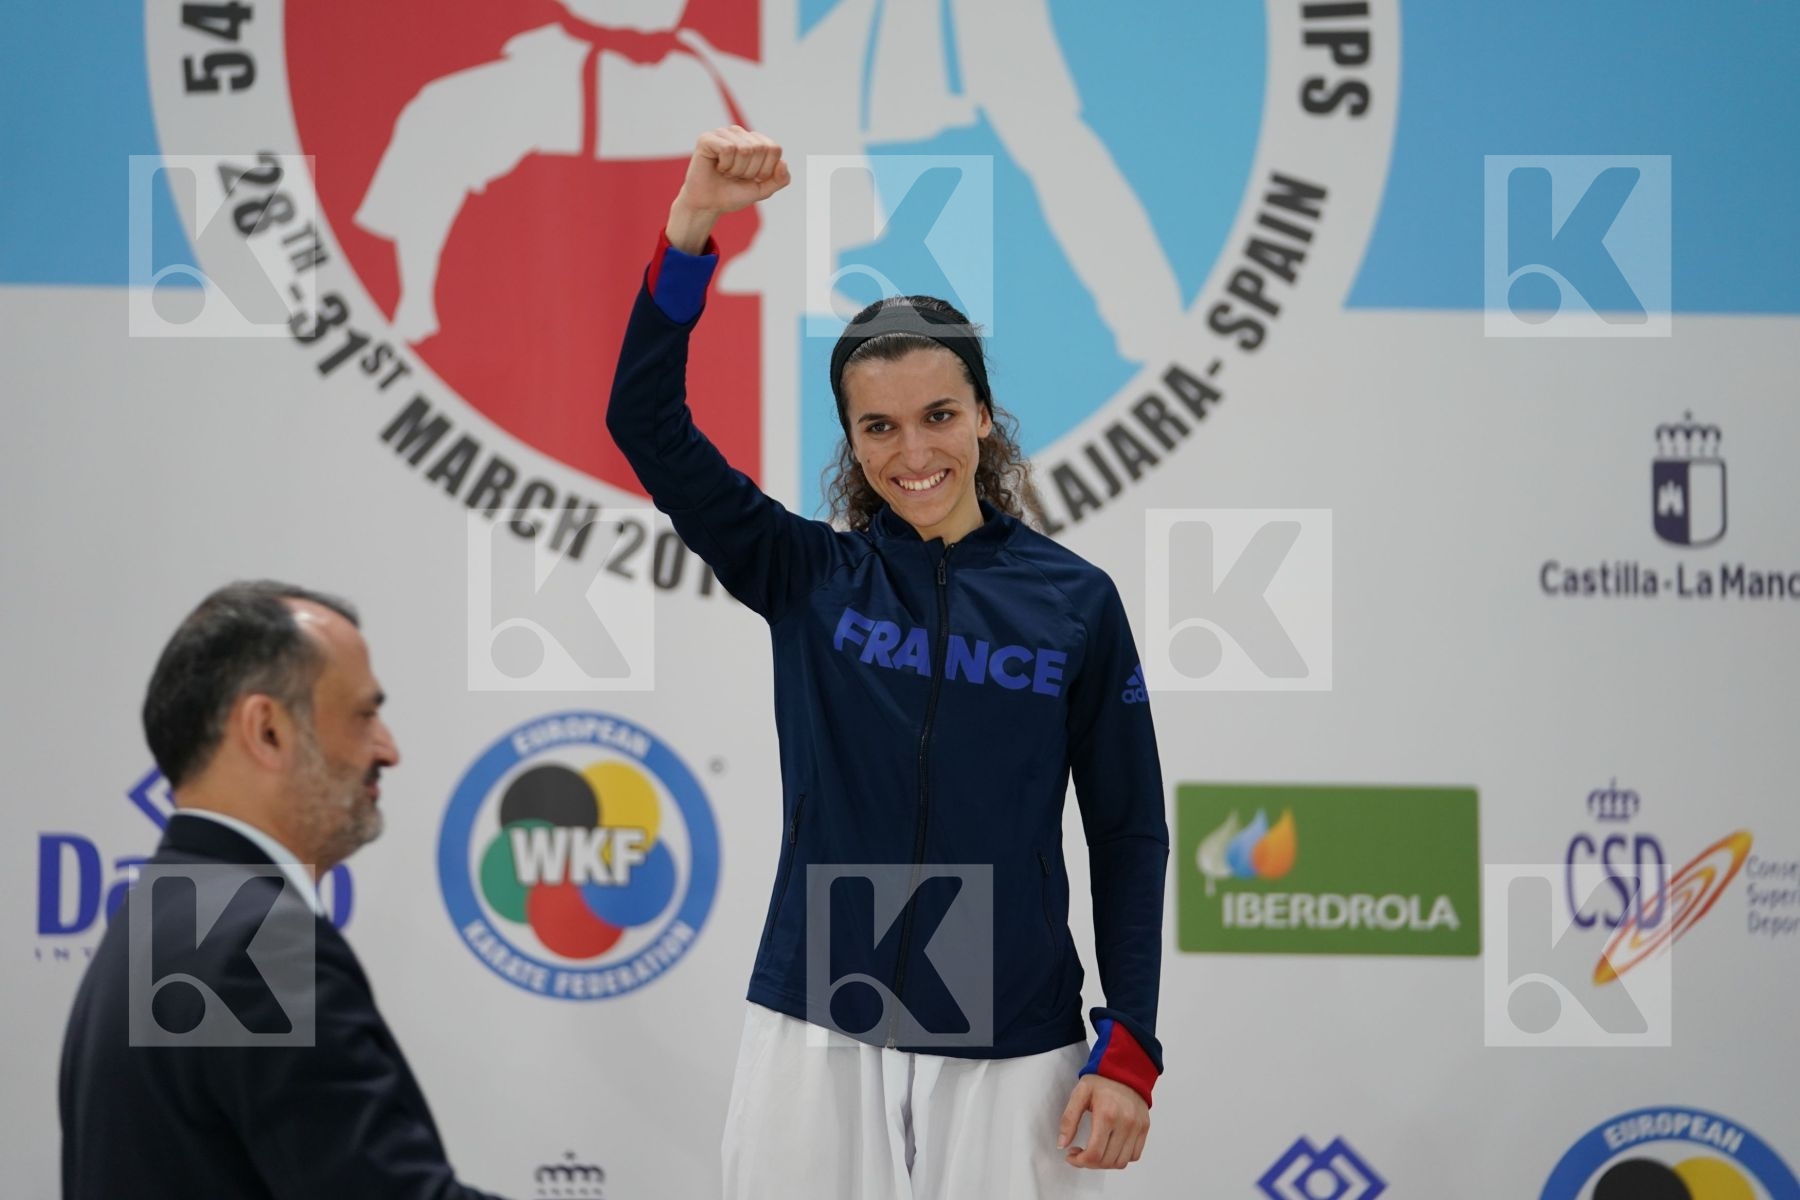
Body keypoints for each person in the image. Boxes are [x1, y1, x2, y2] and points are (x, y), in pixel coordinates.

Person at [607, 126, 1169, 1199]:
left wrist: (1130, 1042)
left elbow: (1129, 830)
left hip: (1014, 1026)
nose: (914, 454)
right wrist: (690, 230)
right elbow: (643, 419)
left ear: (984, 418)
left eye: (939, 417)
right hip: (825, 1001)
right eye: (879, 426)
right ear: (851, 438)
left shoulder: (1074, 602)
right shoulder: (806, 573)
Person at [59, 581, 508, 1200]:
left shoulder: (172, 911)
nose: (389, 749)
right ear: (267, 729)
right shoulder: (256, 940)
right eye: (364, 714)